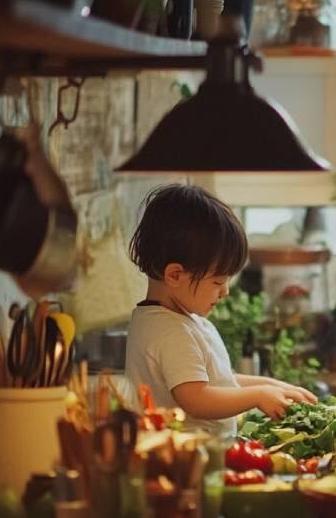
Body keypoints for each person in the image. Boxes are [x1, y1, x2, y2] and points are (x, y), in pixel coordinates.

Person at [125, 184, 315, 441]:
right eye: (217, 282)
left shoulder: (179, 321)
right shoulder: (170, 331)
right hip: (189, 462)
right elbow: (197, 398)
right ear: (175, 275)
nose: (225, 291)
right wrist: (257, 396)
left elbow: (218, 382)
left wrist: (270, 386)